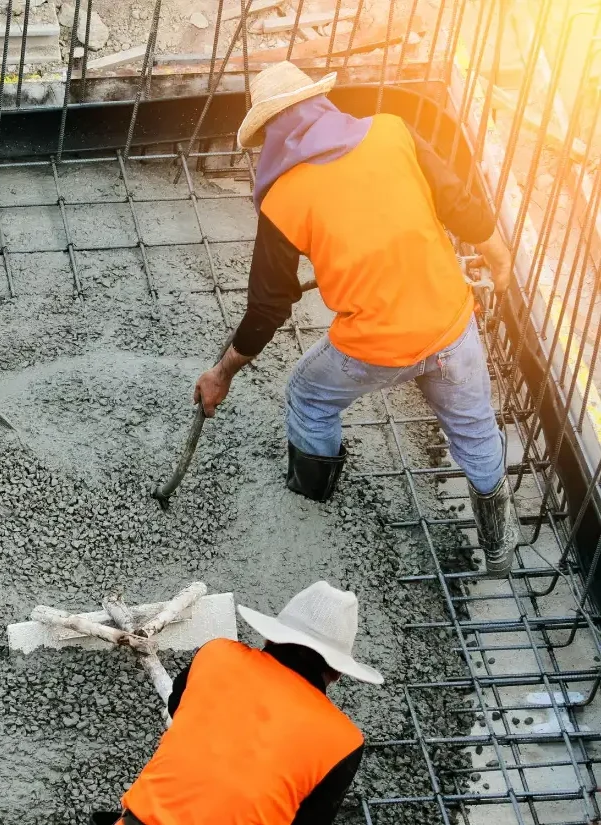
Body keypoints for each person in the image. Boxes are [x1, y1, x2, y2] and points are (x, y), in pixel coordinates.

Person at [193, 62, 518, 576]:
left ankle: (311, 504)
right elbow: (460, 202)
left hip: (376, 347)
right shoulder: (393, 132)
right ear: (321, 104)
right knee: (476, 432)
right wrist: (499, 256)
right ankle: (500, 548)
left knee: (306, 394)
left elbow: (269, 307)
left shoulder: (284, 199)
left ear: (272, 132)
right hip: (453, 324)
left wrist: (221, 372)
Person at [93, 580, 383, 825]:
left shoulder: (217, 654)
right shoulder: (344, 741)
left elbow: (176, 707)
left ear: (271, 637)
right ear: (337, 672)